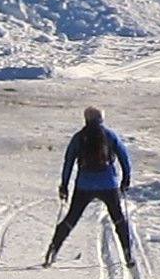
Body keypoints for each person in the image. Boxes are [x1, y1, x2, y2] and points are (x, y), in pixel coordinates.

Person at [45, 105, 134, 268]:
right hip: (108, 184)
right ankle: (127, 253)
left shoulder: (79, 137)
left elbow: (68, 162)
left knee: (72, 217)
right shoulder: (110, 135)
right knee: (118, 218)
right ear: (102, 119)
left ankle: (53, 249)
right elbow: (124, 158)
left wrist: (64, 185)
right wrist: (125, 179)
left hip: (84, 185)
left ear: (86, 119)